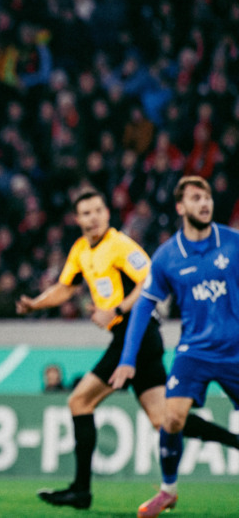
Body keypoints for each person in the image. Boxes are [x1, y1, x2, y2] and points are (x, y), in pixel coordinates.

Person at [16, 188, 239, 510]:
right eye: (86, 213)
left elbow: (150, 281)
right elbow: (66, 288)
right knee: (165, 420)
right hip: (134, 338)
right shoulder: (81, 250)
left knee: (79, 401)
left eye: (98, 211)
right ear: (77, 219)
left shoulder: (119, 245)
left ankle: (81, 490)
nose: (93, 218)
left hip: (136, 334)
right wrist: (35, 304)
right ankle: (234, 440)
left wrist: (117, 310)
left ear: (107, 213)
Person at [110, 176, 239, 517]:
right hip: (194, 351)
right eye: (196, 198)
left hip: (236, 349)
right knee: (171, 418)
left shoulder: (232, 242)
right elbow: (143, 306)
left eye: (207, 197)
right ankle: (168, 491)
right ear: (181, 207)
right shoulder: (168, 256)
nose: (205, 203)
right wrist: (127, 359)